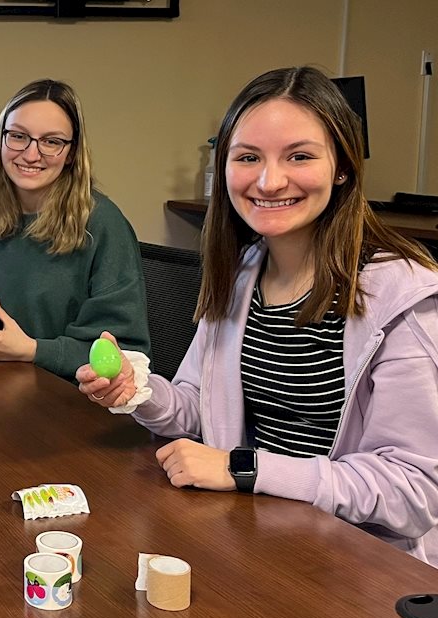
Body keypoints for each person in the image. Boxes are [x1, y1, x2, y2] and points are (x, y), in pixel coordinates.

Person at [77, 66, 438, 566]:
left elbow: (413, 489)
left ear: (342, 168)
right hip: (255, 540)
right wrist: (138, 391)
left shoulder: (402, 295)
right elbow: (202, 410)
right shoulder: (242, 272)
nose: (269, 180)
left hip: (359, 564)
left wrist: (243, 469)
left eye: (300, 156)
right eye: (248, 157)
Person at [0, 79, 150, 382]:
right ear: (1, 141)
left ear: (71, 153)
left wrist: (31, 350)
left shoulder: (102, 224)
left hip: (75, 401)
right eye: (18, 137)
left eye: (51, 141)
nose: (31, 155)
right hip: (6, 384)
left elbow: (126, 353)